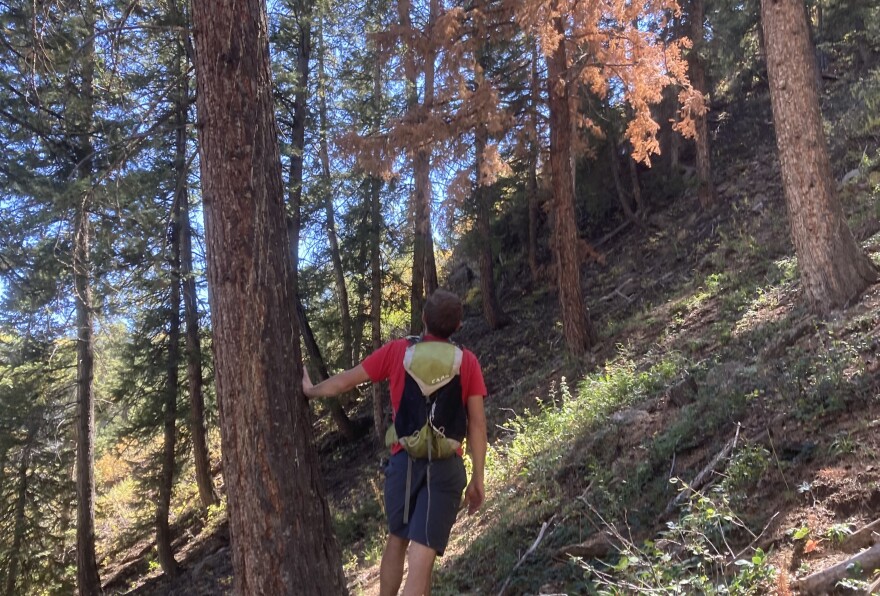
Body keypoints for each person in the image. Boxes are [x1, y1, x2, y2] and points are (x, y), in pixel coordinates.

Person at [303, 289, 487, 596]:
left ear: (424, 319)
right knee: (422, 556)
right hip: (445, 469)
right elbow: (478, 424)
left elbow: (346, 380)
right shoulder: (466, 361)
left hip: (403, 462)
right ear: (457, 327)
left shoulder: (398, 351)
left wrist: (311, 390)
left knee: (397, 538)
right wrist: (478, 478)